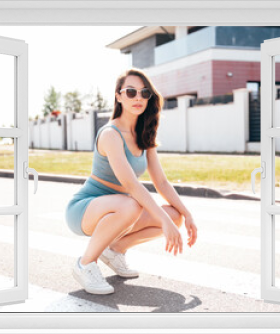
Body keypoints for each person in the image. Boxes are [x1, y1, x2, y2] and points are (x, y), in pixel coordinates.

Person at [65, 68, 198, 295]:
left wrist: (186, 215)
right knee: (133, 203)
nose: (138, 97)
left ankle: (115, 250)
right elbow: (131, 186)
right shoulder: (110, 134)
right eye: (131, 92)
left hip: (120, 211)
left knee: (173, 215)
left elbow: (162, 182)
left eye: (144, 93)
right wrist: (162, 221)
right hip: (85, 209)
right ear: (118, 96)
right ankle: (85, 264)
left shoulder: (144, 135)